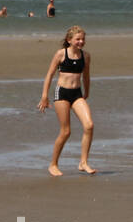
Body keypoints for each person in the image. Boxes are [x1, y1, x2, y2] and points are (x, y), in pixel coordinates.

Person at [37, 26, 96, 176]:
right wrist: (44, 96)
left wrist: (87, 91)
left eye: (83, 39)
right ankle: (53, 164)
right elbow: (49, 75)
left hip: (77, 94)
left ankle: (83, 162)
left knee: (89, 125)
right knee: (66, 131)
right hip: (62, 94)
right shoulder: (61, 54)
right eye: (78, 39)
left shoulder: (86, 56)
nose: (81, 42)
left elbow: (86, 76)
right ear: (69, 40)